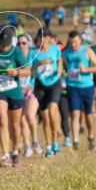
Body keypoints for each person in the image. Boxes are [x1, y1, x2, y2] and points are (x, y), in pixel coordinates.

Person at [0, 27, 30, 168]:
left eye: (6, 45)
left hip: (14, 91)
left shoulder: (16, 52)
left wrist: (17, 71)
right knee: (2, 119)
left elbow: (28, 70)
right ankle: (5, 155)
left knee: (15, 125)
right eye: (1, 44)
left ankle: (15, 152)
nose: (3, 47)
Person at [62, 30, 96, 151]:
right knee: (75, 113)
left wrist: (85, 70)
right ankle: (75, 140)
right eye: (70, 42)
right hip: (72, 87)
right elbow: (64, 67)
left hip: (87, 87)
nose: (72, 44)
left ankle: (90, 135)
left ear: (80, 40)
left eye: (74, 42)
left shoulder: (87, 51)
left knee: (88, 114)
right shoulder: (65, 52)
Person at [30, 27, 63, 158]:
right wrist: (39, 64)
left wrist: (59, 70)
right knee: (45, 117)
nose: (42, 40)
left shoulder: (55, 49)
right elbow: (30, 71)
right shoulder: (33, 53)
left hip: (54, 83)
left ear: (49, 38)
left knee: (52, 112)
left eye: (45, 37)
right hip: (40, 85)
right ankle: (48, 145)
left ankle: (55, 142)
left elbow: (60, 59)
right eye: (40, 37)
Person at [16, 33, 41, 158]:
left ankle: (35, 140)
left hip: (32, 90)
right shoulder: (14, 57)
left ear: (29, 44)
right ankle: (27, 146)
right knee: (21, 119)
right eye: (19, 43)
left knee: (30, 116)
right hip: (19, 91)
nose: (21, 46)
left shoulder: (33, 55)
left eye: (24, 43)